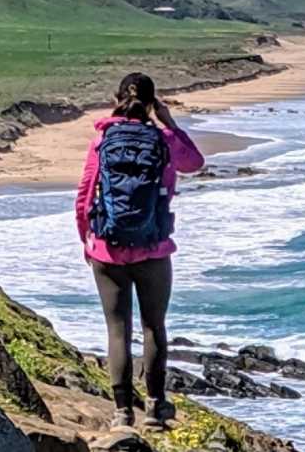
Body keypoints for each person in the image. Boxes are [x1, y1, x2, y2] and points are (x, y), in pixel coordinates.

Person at [74, 73, 204, 428]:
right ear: (152, 103)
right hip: (153, 247)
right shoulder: (162, 139)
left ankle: (121, 413)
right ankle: (156, 407)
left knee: (117, 330)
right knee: (153, 327)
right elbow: (195, 163)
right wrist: (169, 122)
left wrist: (86, 238)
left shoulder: (102, 138)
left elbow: (86, 192)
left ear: (114, 97)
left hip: (107, 247)